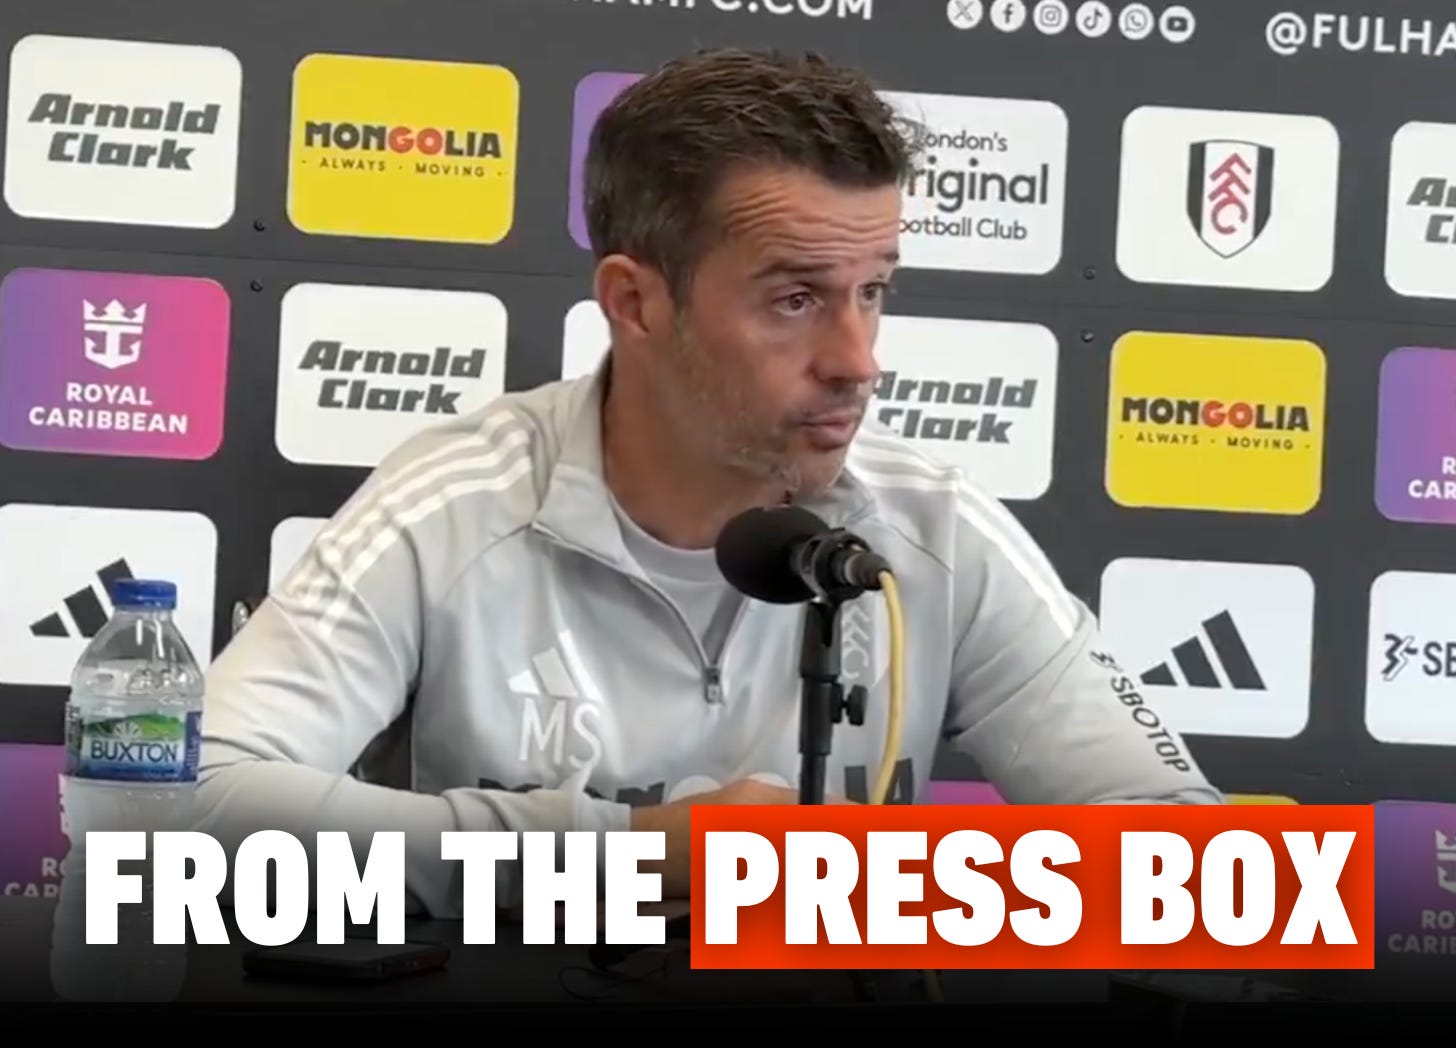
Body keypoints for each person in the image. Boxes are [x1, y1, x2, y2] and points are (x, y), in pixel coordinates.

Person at [196, 48, 1222, 918]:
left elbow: (1197, 862)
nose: (857, 360)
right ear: (635, 303)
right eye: (794, 300)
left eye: (872, 292)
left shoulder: (933, 528)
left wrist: (893, 884)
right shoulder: (454, 505)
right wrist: (632, 852)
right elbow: (190, 803)